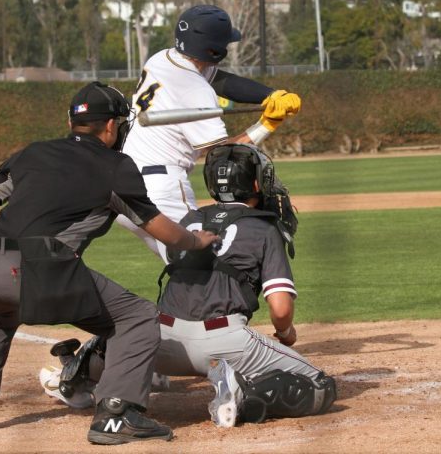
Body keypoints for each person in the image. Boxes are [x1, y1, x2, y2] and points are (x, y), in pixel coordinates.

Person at [0, 81, 219, 446]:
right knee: (138, 317)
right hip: (40, 267)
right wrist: (196, 240)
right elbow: (164, 232)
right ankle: (116, 414)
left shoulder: (34, 152)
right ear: (111, 126)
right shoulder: (115, 166)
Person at [38, 143, 336, 428]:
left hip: (160, 340)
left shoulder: (191, 218)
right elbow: (281, 310)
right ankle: (242, 395)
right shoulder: (264, 227)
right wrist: (286, 333)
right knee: (321, 385)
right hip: (223, 342)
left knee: (127, 331)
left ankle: (74, 378)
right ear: (257, 184)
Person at [116, 4, 301, 263]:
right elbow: (223, 158)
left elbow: (223, 80)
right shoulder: (196, 90)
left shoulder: (161, 58)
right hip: (161, 190)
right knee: (209, 265)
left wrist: (270, 94)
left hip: (122, 182)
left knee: (185, 271)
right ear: (213, 50)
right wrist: (267, 125)